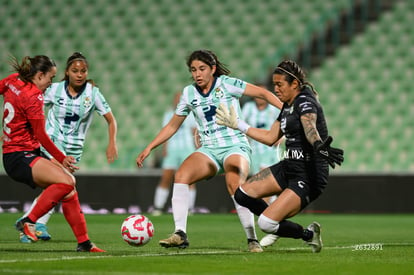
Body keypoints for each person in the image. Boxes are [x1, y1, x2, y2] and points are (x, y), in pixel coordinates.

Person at [136, 49, 282, 252]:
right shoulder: (188, 93)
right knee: (182, 175)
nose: (197, 74)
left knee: (234, 185)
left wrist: (288, 110)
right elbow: (172, 125)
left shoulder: (227, 84)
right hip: (210, 150)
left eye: (202, 69)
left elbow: (263, 93)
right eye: (193, 69)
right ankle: (180, 233)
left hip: (235, 146)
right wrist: (150, 147)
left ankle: (252, 239)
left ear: (213, 69)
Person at [216, 60, 344, 252]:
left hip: (309, 175)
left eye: (279, 84)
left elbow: (310, 128)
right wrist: (238, 124)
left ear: (294, 84)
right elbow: (270, 137)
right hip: (289, 166)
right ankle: (279, 223)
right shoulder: (287, 105)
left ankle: (307, 234)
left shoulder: (305, 102)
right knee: (241, 194)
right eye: (274, 84)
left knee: (266, 224)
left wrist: (318, 145)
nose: (275, 89)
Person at [1, 54, 105, 252]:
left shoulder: (14, 80)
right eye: (51, 78)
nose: (51, 83)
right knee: (65, 182)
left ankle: (84, 242)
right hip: (20, 156)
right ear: (40, 75)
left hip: (20, 153)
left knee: (70, 188)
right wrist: (62, 158)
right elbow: (41, 134)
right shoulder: (34, 96)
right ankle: (29, 221)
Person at [150, 92, 197, 216]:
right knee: (166, 177)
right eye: (176, 99)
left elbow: (195, 131)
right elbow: (166, 131)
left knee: (190, 179)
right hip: (172, 149)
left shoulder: (190, 113)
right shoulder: (169, 114)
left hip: (187, 149)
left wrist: (198, 148)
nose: (177, 101)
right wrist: (165, 149)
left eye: (179, 99)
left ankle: (189, 208)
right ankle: (158, 207)